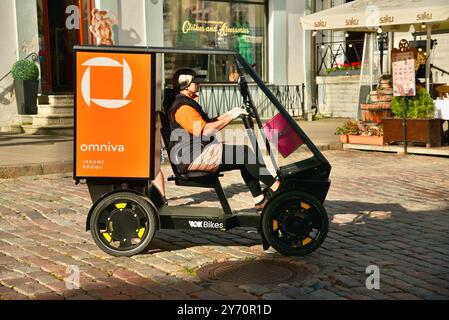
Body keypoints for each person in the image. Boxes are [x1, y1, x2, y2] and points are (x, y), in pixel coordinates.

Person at [167, 68, 281, 212]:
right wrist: (231, 117)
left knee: (244, 155)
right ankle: (276, 186)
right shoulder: (183, 107)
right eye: (195, 82)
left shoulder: (186, 102)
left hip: (196, 151)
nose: (198, 84)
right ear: (185, 84)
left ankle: (260, 199)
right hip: (192, 156)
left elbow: (206, 123)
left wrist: (230, 113)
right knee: (244, 154)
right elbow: (205, 130)